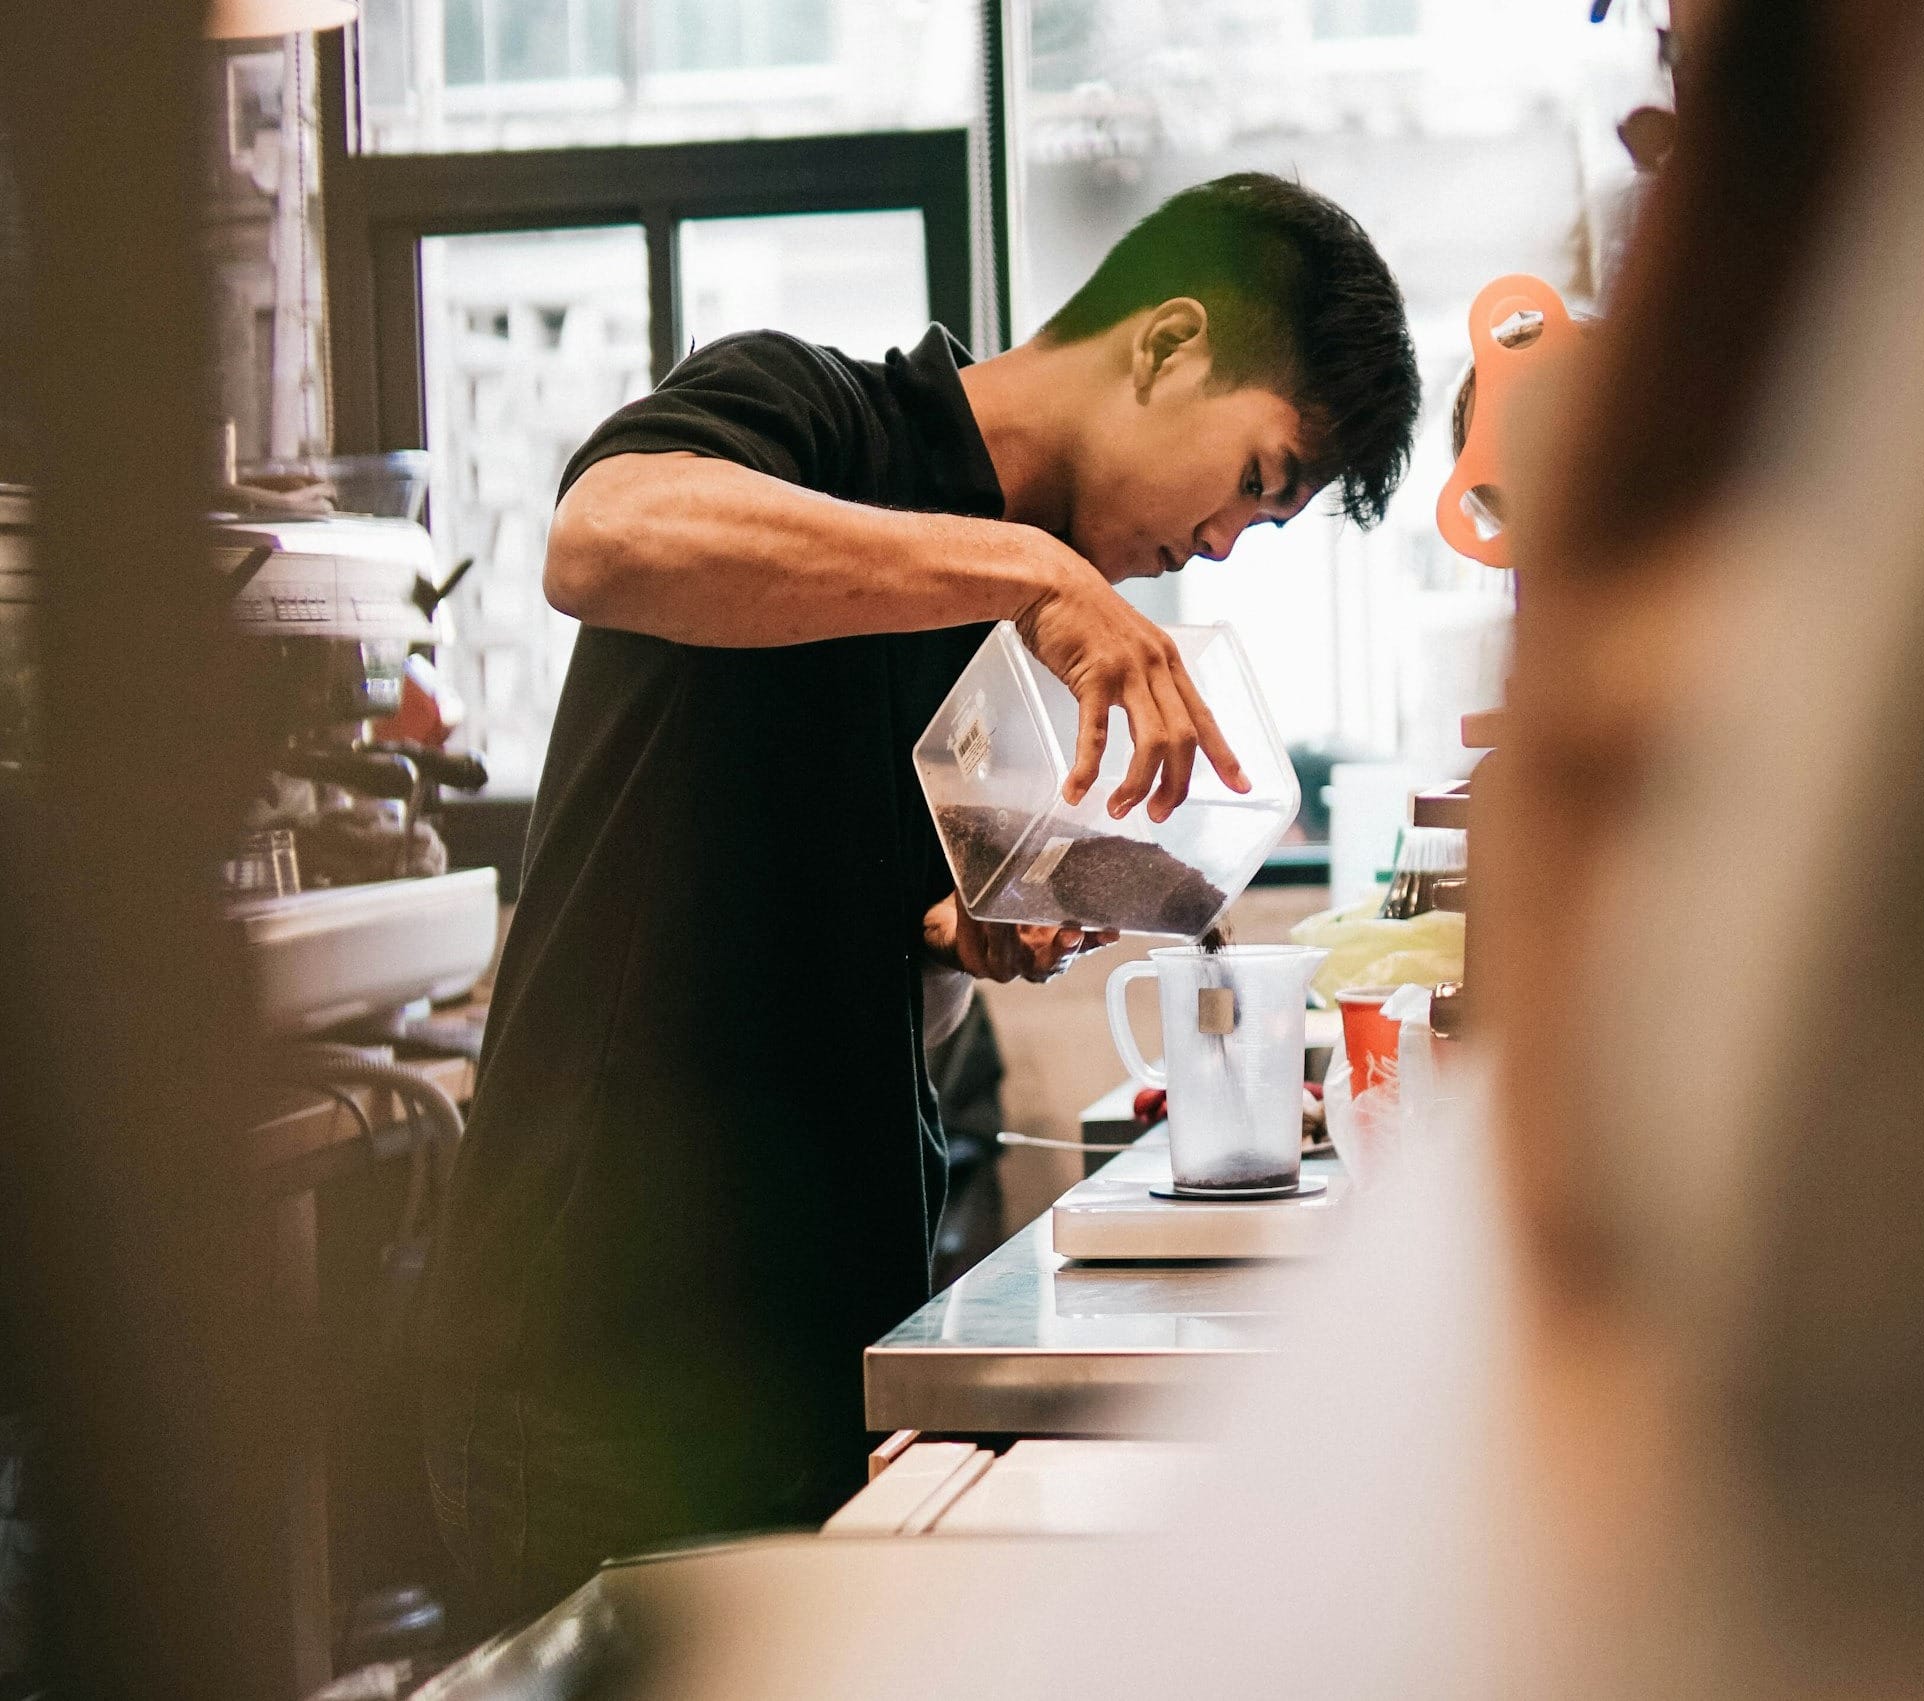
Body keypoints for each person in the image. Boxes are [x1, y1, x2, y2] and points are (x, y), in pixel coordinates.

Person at [418, 170, 1422, 1630]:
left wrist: (957, 942)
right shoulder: (810, 413)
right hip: (597, 1358)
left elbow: (831, 941)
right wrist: (1024, 570)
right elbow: (606, 535)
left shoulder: (997, 656)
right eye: (1259, 481)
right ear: (1167, 344)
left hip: (806, 1357)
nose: (1221, 543)